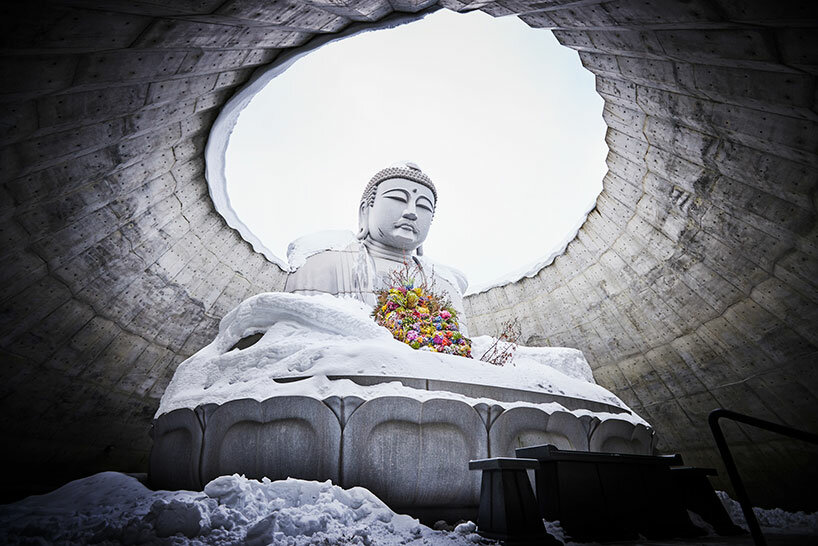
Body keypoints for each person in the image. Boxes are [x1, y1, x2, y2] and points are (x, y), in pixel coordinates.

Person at [284, 162, 469, 334]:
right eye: (398, 198)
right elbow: (298, 341)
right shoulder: (321, 264)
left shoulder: (445, 285)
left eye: (423, 206)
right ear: (365, 210)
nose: (411, 212)